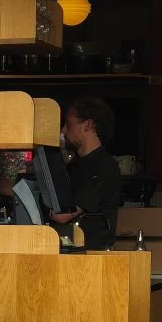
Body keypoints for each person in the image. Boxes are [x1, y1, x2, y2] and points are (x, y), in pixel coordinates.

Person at [53, 97, 123, 249]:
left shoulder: (104, 167)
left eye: (68, 124)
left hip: (92, 256)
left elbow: (63, 215)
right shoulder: (74, 166)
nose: (63, 131)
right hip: (71, 249)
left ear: (88, 125)